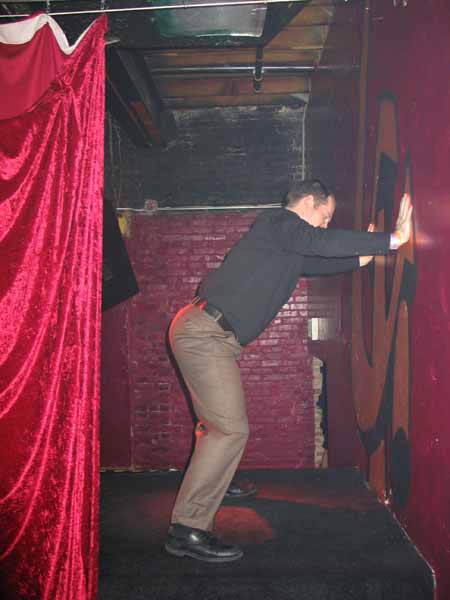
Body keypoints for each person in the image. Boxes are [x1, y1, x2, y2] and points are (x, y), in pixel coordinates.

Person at [164, 179, 413, 563]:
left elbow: (323, 259)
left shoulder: (286, 247)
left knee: (218, 425)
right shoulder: (277, 222)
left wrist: (366, 252)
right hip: (205, 334)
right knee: (228, 430)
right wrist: (391, 239)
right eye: (325, 215)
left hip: (207, 333)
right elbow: (319, 242)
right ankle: (187, 529)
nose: (326, 224)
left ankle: (215, 481)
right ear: (309, 202)